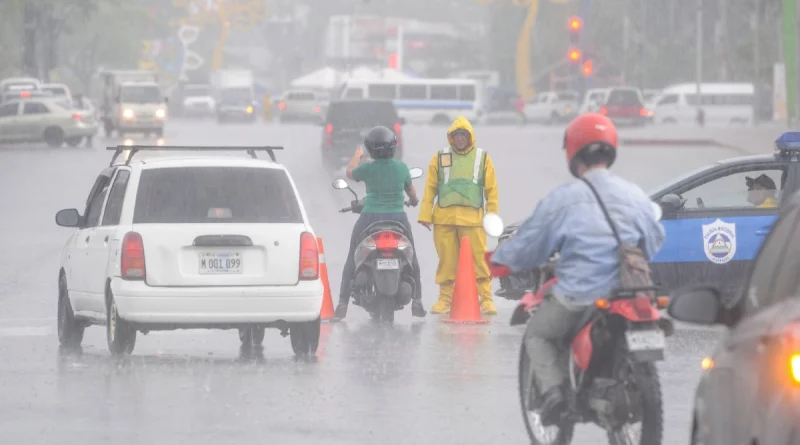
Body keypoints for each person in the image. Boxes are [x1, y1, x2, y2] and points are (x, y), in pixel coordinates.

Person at [489, 113, 665, 425]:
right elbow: (653, 241)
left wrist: (500, 261)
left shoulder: (564, 199)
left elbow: (531, 245)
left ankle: (555, 395)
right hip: (630, 292)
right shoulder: (634, 195)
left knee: (538, 334)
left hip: (580, 294)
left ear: (573, 152)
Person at [335, 126, 427, 320]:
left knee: (352, 257)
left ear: (370, 149)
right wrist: (414, 201)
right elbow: (411, 193)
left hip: (370, 218)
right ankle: (417, 301)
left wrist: (356, 156)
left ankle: (342, 303)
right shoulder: (401, 168)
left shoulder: (368, 168)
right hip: (398, 219)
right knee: (412, 258)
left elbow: (349, 172)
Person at [418, 116, 499, 315]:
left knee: (479, 259)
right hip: (444, 219)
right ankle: (445, 300)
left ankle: (486, 299)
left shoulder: (482, 158)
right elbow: (430, 188)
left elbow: (491, 190)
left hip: (473, 220)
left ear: (470, 136)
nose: (460, 138)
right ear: (451, 137)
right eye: (456, 135)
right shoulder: (440, 157)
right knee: (447, 260)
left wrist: (492, 216)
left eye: (463, 134)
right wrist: (425, 215)